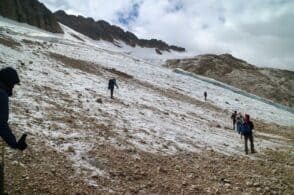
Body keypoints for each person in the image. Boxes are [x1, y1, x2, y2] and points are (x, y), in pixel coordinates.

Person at [0, 67, 27, 150]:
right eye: (13, 84)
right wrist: (14, 144)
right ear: (8, 82)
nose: (13, 87)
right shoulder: (1, 95)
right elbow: (1, 124)